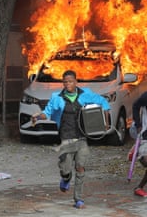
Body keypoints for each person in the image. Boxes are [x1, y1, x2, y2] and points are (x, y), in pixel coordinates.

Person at [31, 70, 110, 209]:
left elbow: (103, 102)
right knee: (66, 169)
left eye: (70, 81)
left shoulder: (85, 94)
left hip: (82, 137)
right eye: (65, 82)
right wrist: (37, 117)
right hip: (66, 137)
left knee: (80, 167)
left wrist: (106, 118)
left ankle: (78, 199)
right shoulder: (57, 97)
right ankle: (65, 178)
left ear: (76, 82)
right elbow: (47, 113)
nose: (68, 84)